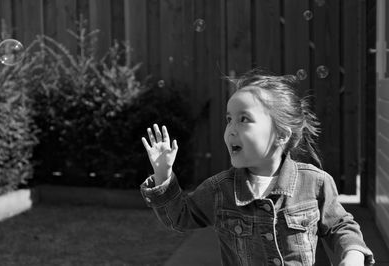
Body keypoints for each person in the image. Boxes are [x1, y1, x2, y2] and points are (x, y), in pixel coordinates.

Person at [140, 69, 374, 266]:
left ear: (281, 135)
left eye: (244, 119)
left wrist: (352, 254)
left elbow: (341, 226)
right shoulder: (220, 190)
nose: (231, 129)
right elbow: (180, 217)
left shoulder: (315, 183)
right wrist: (163, 174)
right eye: (229, 118)